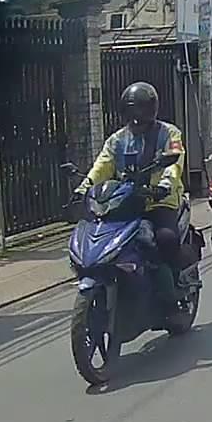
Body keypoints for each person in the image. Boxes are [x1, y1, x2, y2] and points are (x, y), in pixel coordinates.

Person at [76, 82, 189, 323]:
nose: (136, 116)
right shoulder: (117, 139)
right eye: (131, 110)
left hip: (160, 201)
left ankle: (173, 295)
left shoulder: (169, 133)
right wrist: (84, 187)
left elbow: (175, 164)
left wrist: (164, 185)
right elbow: (102, 165)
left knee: (165, 239)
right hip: (125, 202)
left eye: (140, 109)